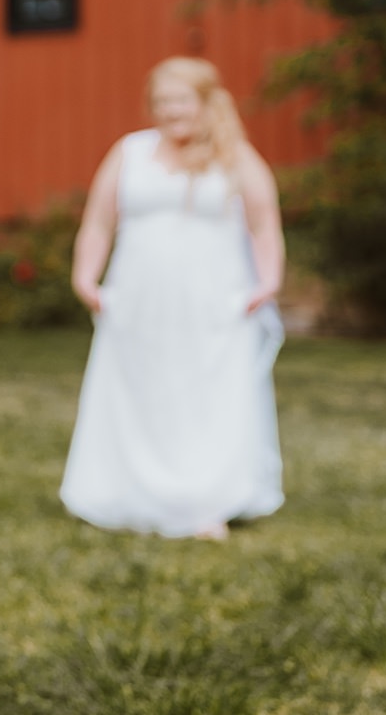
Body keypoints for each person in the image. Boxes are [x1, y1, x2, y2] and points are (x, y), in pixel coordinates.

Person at [60, 57, 285, 541]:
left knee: (205, 398)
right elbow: (99, 222)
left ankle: (206, 502)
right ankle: (130, 494)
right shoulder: (131, 152)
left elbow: (264, 224)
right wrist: (86, 278)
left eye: (181, 100)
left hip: (212, 305)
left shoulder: (235, 155)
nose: (171, 111)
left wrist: (267, 282)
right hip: (140, 304)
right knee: (143, 393)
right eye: (162, 102)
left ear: (206, 103)